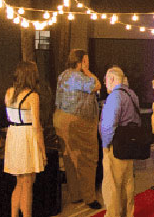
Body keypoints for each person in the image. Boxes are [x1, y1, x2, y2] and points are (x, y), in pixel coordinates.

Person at [53, 49, 102, 210]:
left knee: (70, 158)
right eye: (86, 60)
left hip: (60, 118)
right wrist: (88, 71)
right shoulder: (79, 76)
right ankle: (89, 197)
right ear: (81, 61)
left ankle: (76, 194)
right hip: (79, 121)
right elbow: (97, 85)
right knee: (88, 158)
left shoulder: (63, 75)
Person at [3, 61, 46, 217]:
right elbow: (36, 126)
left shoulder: (9, 92)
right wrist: (43, 150)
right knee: (27, 183)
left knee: (19, 182)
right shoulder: (33, 96)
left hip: (13, 135)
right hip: (26, 138)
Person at [100, 67, 140, 217]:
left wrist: (105, 145)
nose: (105, 84)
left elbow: (109, 125)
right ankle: (128, 213)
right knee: (127, 182)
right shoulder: (132, 94)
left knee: (113, 185)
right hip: (129, 144)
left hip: (116, 146)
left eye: (106, 81)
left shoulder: (115, 97)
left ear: (111, 79)